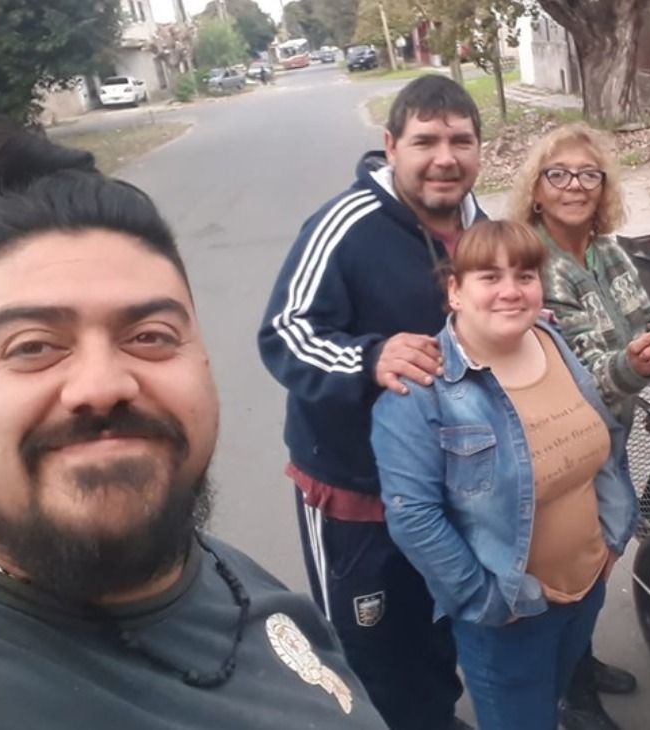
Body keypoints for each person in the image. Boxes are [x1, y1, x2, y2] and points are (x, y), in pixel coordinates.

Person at [0, 119, 386, 730]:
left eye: (150, 338)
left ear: (205, 369)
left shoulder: (235, 581)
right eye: (33, 346)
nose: (103, 386)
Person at [257, 74, 483, 730]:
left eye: (461, 140)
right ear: (391, 146)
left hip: (444, 486)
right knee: (370, 650)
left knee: (437, 625)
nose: (445, 156)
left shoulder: (479, 223)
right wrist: (368, 357)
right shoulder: (344, 225)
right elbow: (286, 334)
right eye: (426, 140)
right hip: (354, 490)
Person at [370, 220, 639, 730]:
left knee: (552, 699)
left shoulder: (551, 342)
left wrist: (611, 540)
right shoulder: (421, 390)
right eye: (489, 277)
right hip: (511, 617)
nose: (511, 291)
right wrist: (487, 602)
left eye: (525, 275)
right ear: (455, 290)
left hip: (586, 587)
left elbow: (604, 437)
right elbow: (414, 518)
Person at [508, 122, 650, 730]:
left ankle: (579, 662)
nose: (575, 185)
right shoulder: (527, 263)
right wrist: (632, 365)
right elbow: (562, 372)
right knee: (563, 569)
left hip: (613, 433)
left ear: (603, 189)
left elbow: (645, 319)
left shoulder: (608, 251)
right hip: (558, 445)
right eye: (559, 174)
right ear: (537, 190)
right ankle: (569, 693)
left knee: (600, 556)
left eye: (588, 175)